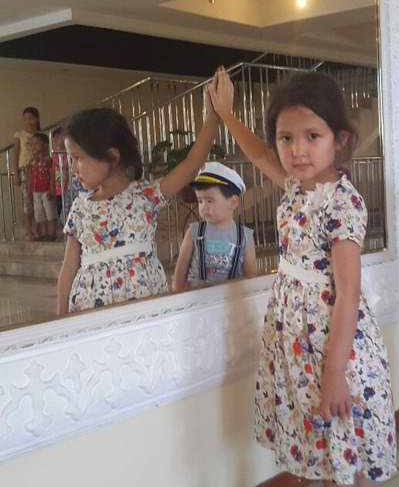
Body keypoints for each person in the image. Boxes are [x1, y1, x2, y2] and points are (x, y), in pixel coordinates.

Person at [209, 66, 396, 487]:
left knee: (339, 470)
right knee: (353, 461)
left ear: (340, 138)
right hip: (309, 346)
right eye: (286, 137)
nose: (296, 149)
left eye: (312, 136)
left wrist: (334, 373)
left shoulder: (340, 203)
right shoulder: (298, 187)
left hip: (333, 354)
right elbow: (256, 152)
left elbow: (348, 292)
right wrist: (227, 116)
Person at [57, 84, 220, 315]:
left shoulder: (146, 196)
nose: (73, 168)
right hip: (90, 309)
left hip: (145, 305)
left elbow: (191, 164)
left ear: (112, 157)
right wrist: (60, 320)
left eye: (78, 158)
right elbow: (69, 267)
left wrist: (212, 117)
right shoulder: (80, 207)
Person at [172, 161, 257, 291]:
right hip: (197, 297)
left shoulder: (245, 236)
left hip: (232, 299)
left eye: (210, 201)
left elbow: (251, 276)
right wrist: (177, 295)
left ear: (233, 202)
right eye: (200, 201)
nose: (204, 206)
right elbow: (181, 266)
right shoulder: (194, 231)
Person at [12, 106, 41, 240]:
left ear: (37, 119)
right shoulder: (19, 135)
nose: (28, 121)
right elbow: (15, 155)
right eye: (25, 119)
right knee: (27, 200)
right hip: (25, 169)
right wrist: (15, 174)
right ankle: (28, 231)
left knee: (38, 200)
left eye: (31, 118)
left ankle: (36, 229)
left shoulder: (40, 135)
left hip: (39, 168)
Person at [29, 132, 58, 241]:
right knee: (39, 212)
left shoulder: (49, 161)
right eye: (32, 144)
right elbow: (31, 176)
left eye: (36, 143)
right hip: (35, 190)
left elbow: (52, 175)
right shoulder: (31, 162)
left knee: (50, 210)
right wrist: (30, 189)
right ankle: (43, 233)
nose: (33, 146)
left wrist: (51, 188)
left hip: (46, 190)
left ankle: (52, 233)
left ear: (45, 145)